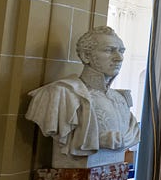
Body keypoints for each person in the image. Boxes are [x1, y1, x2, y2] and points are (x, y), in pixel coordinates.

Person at [26, 26, 140, 168]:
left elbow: (133, 134)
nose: (119, 58)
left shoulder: (120, 99)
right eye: (109, 50)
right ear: (86, 56)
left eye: (121, 51)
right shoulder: (61, 94)